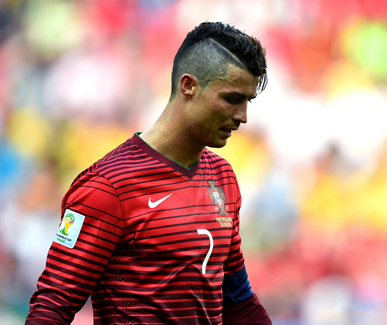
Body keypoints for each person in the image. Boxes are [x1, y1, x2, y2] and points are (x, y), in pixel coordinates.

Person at [26, 21, 271, 324]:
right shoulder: (108, 187)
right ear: (188, 86)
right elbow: (53, 307)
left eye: (248, 102)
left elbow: (237, 300)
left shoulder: (222, 177)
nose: (243, 117)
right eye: (232, 99)